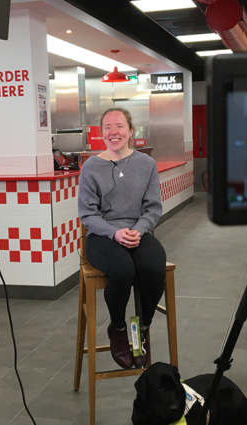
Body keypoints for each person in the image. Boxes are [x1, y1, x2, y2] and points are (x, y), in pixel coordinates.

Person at [78, 107, 165, 369]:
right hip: (102, 235)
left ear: (130, 131)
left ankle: (143, 329)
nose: (113, 132)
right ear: (101, 133)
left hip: (138, 231)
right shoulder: (91, 167)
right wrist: (114, 232)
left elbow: (153, 208)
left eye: (119, 126)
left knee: (153, 267)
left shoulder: (146, 164)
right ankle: (117, 329)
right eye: (107, 127)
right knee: (122, 270)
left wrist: (138, 229)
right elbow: (87, 214)